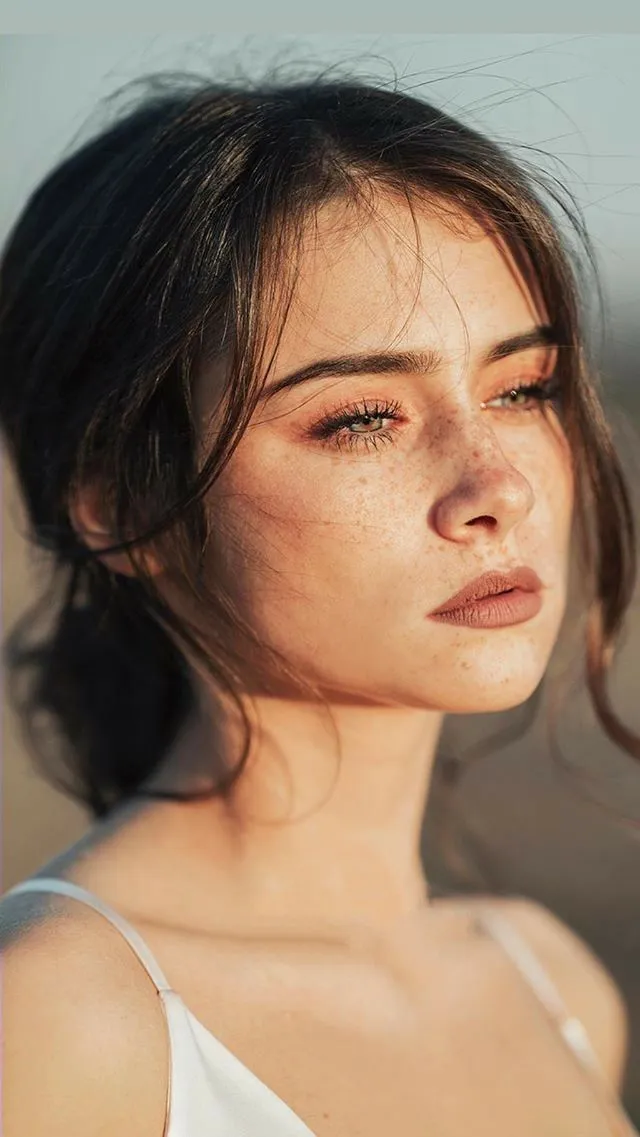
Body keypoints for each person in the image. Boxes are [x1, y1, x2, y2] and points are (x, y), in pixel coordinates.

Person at [1, 66, 639, 1136]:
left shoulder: (552, 985)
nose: (499, 487)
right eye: (361, 418)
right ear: (125, 507)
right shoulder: (58, 1020)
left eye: (522, 389)